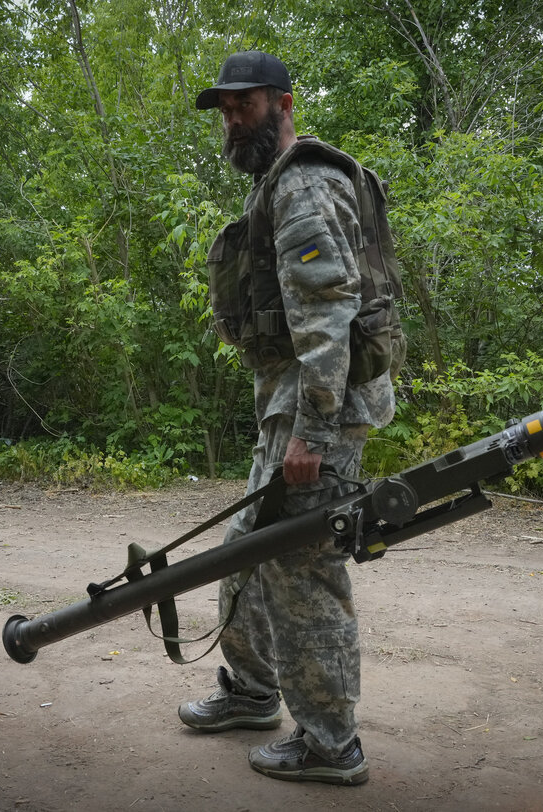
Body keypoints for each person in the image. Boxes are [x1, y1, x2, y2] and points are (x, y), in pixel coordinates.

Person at [179, 50, 395, 786]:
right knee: (245, 548)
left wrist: (313, 430)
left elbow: (327, 317)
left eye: (246, 106)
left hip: (315, 414)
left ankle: (332, 744)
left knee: (305, 573)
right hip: (291, 410)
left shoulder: (303, 185)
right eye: (226, 111)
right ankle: (250, 691)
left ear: (284, 103)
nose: (233, 121)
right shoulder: (280, 183)